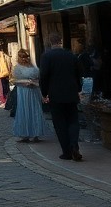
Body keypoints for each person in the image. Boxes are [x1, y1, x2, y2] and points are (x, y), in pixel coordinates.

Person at [40, 33, 84, 162]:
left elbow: (43, 76)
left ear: (50, 42)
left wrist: (44, 93)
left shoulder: (47, 56)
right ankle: (74, 145)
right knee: (73, 120)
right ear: (61, 41)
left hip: (55, 94)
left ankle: (67, 151)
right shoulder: (71, 55)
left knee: (60, 123)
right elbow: (79, 73)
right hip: (71, 92)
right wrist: (78, 89)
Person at [11, 49, 44, 142]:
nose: (24, 59)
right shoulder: (17, 68)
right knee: (24, 110)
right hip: (23, 92)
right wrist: (25, 83)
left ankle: (35, 134)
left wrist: (34, 82)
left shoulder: (33, 66)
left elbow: (38, 77)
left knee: (35, 110)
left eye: (25, 56)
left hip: (34, 91)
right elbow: (15, 80)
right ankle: (25, 134)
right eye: (22, 57)